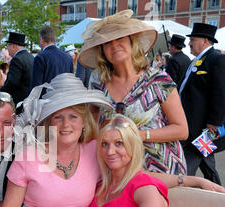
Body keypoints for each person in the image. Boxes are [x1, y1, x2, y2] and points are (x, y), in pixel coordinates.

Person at [1, 73, 113, 207]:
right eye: (57, 117)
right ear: (48, 122)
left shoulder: (95, 152)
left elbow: (130, 174)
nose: (65, 124)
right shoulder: (29, 155)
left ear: (83, 121)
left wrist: (185, 179)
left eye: (72, 116)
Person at [79, 9, 189, 175]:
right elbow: (92, 125)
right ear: (102, 51)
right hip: (114, 169)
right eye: (107, 43)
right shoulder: (97, 81)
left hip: (158, 168)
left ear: (132, 42)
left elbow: (182, 130)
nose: (114, 45)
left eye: (120, 38)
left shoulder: (158, 79)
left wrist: (140, 135)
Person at [179, 22, 225, 185]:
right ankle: (221, 195)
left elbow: (221, 94)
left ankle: (179, 191)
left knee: (187, 164)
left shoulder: (217, 59)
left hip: (201, 128)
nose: (189, 44)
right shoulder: (197, 60)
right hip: (192, 125)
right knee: (207, 164)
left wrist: (214, 123)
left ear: (205, 41)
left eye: (193, 39)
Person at [29, 25, 74, 92]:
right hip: (64, 99)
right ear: (54, 40)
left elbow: (36, 87)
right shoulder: (68, 58)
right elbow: (71, 83)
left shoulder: (40, 57)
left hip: (46, 100)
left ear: (41, 39)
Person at [0, 32, 34, 115]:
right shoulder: (31, 57)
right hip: (30, 100)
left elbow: (12, 82)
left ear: (14, 46)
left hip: (19, 102)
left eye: (8, 45)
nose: (7, 48)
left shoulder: (17, 59)